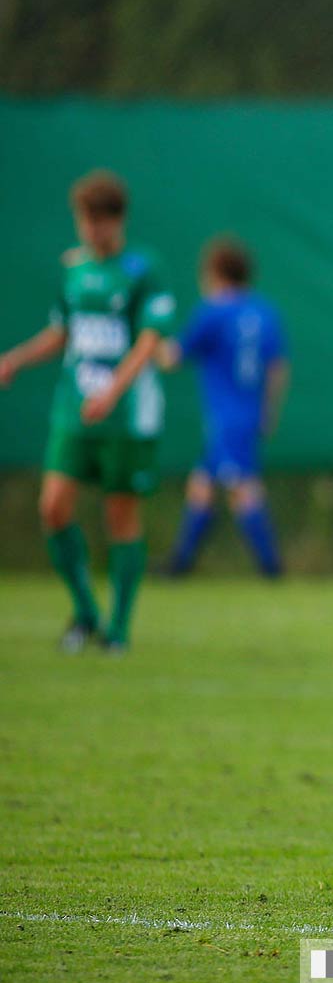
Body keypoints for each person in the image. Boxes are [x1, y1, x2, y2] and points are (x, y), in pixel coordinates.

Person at [0, 170, 175, 653]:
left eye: (100, 221)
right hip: (75, 409)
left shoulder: (142, 269)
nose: (92, 230)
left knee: (120, 516)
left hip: (126, 415)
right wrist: (14, 358)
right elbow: (63, 332)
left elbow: (149, 341)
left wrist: (114, 392)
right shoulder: (74, 270)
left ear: (117, 221)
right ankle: (84, 611)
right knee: (53, 507)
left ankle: (117, 629)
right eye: (85, 220)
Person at [158, 236, 289, 578]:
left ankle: (271, 567)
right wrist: (269, 410)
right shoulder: (265, 312)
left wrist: (144, 341)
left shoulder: (212, 312)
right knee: (201, 485)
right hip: (248, 413)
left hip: (225, 418)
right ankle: (180, 564)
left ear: (214, 273)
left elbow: (173, 357)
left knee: (242, 489)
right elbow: (278, 369)